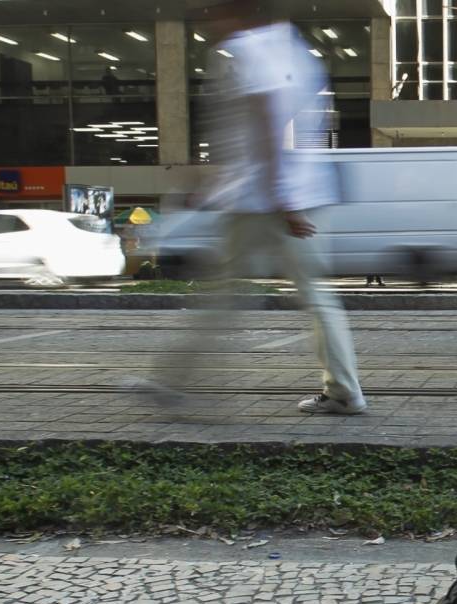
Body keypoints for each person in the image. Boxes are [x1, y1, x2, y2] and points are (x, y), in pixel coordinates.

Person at [153, 0, 365, 416]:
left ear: (238, 12)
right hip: (299, 192)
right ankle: (345, 391)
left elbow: (271, 124)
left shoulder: (249, 49)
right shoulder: (296, 50)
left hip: (264, 198)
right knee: (317, 296)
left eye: (213, 13)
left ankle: (176, 385)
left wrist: (283, 199)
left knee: (222, 294)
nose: (207, 22)